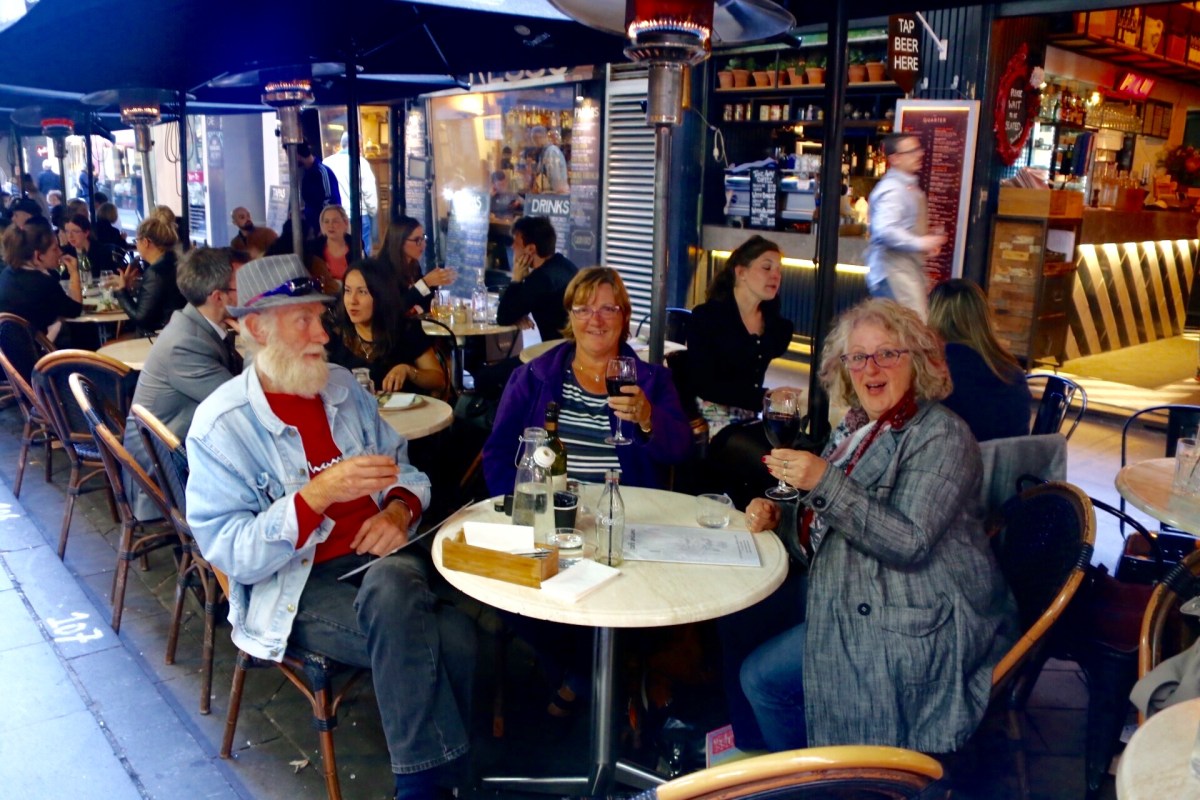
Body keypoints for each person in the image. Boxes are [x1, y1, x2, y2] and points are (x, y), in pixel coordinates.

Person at [185, 253, 473, 800]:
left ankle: (430, 786)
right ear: (256, 329)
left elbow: (404, 470)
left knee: (398, 586)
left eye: (321, 317)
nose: (323, 333)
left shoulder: (341, 387)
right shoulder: (222, 426)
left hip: (384, 563)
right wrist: (316, 496)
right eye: (305, 321)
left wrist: (398, 511)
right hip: (297, 585)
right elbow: (229, 550)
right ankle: (435, 785)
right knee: (452, 635)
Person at [739, 298, 1016, 754]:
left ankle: (819, 777)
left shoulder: (942, 434)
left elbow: (909, 541)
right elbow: (828, 523)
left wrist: (822, 481)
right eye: (858, 357)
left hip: (916, 616)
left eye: (887, 353)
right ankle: (770, 753)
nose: (871, 368)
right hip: (855, 586)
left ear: (918, 361)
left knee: (761, 680)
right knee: (743, 617)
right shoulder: (857, 429)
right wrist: (780, 517)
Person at [483, 266, 691, 494]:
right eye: (583, 309)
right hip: (550, 509)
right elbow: (498, 454)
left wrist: (648, 418)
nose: (596, 320)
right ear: (571, 316)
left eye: (607, 309)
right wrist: (523, 505)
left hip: (627, 510)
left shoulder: (653, 381)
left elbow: (680, 452)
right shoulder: (532, 378)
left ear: (624, 316)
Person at [122, 247, 241, 519]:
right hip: (163, 480)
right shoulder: (186, 343)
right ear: (218, 297)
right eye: (242, 285)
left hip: (177, 457)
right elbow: (239, 403)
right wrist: (258, 339)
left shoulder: (195, 325)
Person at [689, 235, 794, 435]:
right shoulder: (707, 317)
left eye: (779, 270)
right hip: (709, 420)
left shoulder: (772, 322)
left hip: (749, 418)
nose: (775, 275)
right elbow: (705, 385)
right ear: (741, 272)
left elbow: (777, 341)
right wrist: (766, 397)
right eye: (767, 267)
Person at [928, 279, 1031, 442]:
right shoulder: (1011, 370)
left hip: (956, 456)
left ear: (934, 316)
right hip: (1009, 458)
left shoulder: (936, 368)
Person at [326, 259, 447, 397]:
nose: (352, 301)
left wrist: (408, 371)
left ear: (380, 295)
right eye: (347, 291)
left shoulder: (405, 329)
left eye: (362, 292)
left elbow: (438, 380)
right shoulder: (335, 334)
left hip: (402, 410)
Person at [864, 134, 947, 320]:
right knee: (909, 329)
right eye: (911, 151)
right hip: (893, 274)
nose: (919, 154)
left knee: (908, 329)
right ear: (895, 159)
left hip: (903, 272)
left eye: (918, 149)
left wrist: (923, 243)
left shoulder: (906, 186)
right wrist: (921, 243)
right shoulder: (893, 189)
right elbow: (884, 230)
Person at [495, 215, 577, 341]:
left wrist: (516, 279)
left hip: (558, 351)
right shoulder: (565, 265)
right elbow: (515, 308)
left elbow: (503, 317)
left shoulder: (540, 279)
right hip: (575, 347)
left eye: (516, 242)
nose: (512, 247)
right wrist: (518, 314)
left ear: (531, 249)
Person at [0, 222, 82, 340]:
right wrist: (74, 273)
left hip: (7, 349)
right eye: (55, 249)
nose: (60, 252)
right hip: (40, 349)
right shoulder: (45, 284)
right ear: (38, 255)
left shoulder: (6, 274)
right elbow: (75, 310)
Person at [115, 215, 186, 334]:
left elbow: (141, 318)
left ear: (146, 242)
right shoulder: (175, 261)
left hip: (158, 337)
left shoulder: (155, 273)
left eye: (136, 241)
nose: (136, 245)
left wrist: (121, 291)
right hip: (176, 330)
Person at [377, 216, 456, 314]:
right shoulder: (382, 269)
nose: (424, 245)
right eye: (417, 240)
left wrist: (435, 281)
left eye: (423, 238)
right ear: (399, 241)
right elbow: (394, 308)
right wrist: (425, 283)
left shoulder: (413, 266)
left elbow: (428, 300)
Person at [324, 132, 378, 253]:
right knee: (362, 252)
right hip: (359, 216)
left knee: (339, 253)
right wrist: (373, 211)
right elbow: (369, 192)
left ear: (342, 144)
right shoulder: (361, 162)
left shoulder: (327, 162)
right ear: (358, 144)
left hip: (335, 217)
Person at [297, 142, 341, 236]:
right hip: (314, 228)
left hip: (324, 231)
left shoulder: (322, 172)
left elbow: (331, 201)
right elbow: (312, 203)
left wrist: (325, 228)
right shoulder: (307, 174)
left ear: (298, 155)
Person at [62, 214, 120, 281]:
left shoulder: (101, 251)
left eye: (75, 231)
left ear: (86, 233)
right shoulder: (67, 252)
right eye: (67, 231)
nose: (70, 236)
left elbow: (108, 276)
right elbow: (64, 278)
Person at [306, 204, 353, 287]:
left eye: (335, 221)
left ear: (345, 223)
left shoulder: (356, 245)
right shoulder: (314, 249)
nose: (330, 225)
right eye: (326, 221)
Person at [530, 125, 569, 194]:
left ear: (539, 137)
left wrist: (551, 193)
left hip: (557, 196)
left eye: (534, 139)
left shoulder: (551, 152)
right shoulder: (545, 152)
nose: (534, 143)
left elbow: (555, 178)